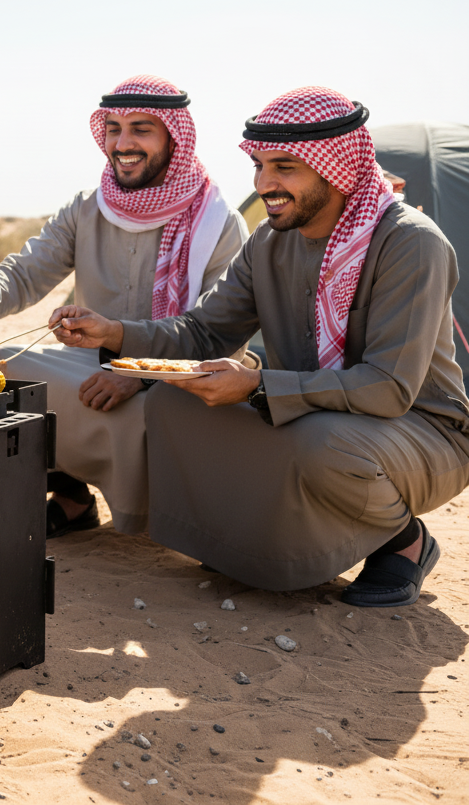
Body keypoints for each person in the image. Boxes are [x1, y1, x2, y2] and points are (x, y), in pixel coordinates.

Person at [49, 87, 469, 607]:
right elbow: (203, 332)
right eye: (259, 165)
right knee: (173, 400)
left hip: (422, 431)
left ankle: (404, 542)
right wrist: (114, 332)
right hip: (314, 412)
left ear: (335, 169)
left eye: (285, 167)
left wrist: (256, 386)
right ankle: (254, 547)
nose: (264, 183)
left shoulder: (411, 243)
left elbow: (387, 389)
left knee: (321, 444)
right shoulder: (269, 242)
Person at [0, 76, 246, 536]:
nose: (123, 143)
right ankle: (72, 499)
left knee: (145, 416)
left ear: (173, 137)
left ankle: (176, 520)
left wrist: (138, 373)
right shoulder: (87, 208)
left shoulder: (219, 223)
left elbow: (223, 333)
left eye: (141, 129)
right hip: (91, 362)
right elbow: (25, 270)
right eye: (113, 129)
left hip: (177, 376)